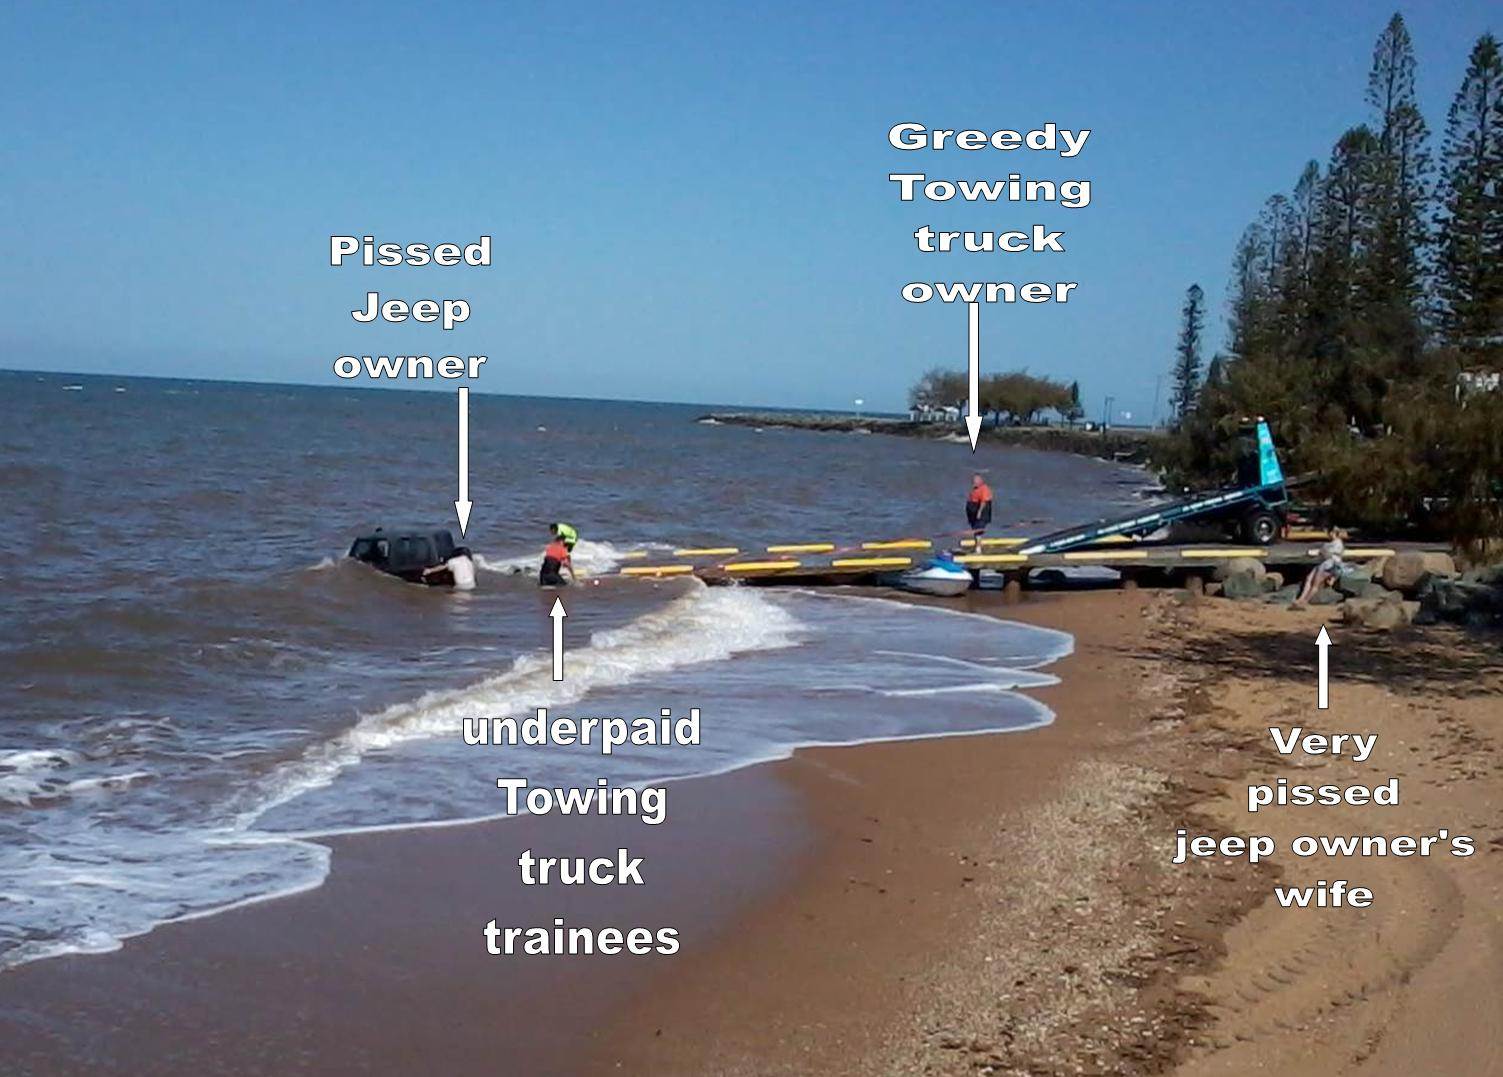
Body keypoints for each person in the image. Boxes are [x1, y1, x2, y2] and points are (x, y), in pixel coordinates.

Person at [1294, 529, 1346, 605]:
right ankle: (1301, 598)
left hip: (1329, 565)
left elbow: (1330, 554)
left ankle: (1305, 600)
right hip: (1324, 563)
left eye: (1330, 532)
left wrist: (1322, 552)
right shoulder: (1331, 543)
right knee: (1309, 578)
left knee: (1315, 584)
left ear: (1333, 533)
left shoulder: (1338, 544)